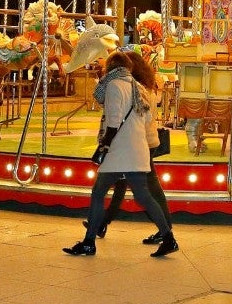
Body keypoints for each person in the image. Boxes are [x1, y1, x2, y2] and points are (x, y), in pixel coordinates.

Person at [63, 50, 178, 258]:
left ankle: (89, 242)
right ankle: (168, 237)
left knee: (99, 193)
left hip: (119, 151)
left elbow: (114, 120)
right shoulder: (140, 88)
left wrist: (105, 145)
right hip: (137, 149)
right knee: (143, 196)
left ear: (112, 67)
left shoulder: (114, 86)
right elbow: (145, 118)